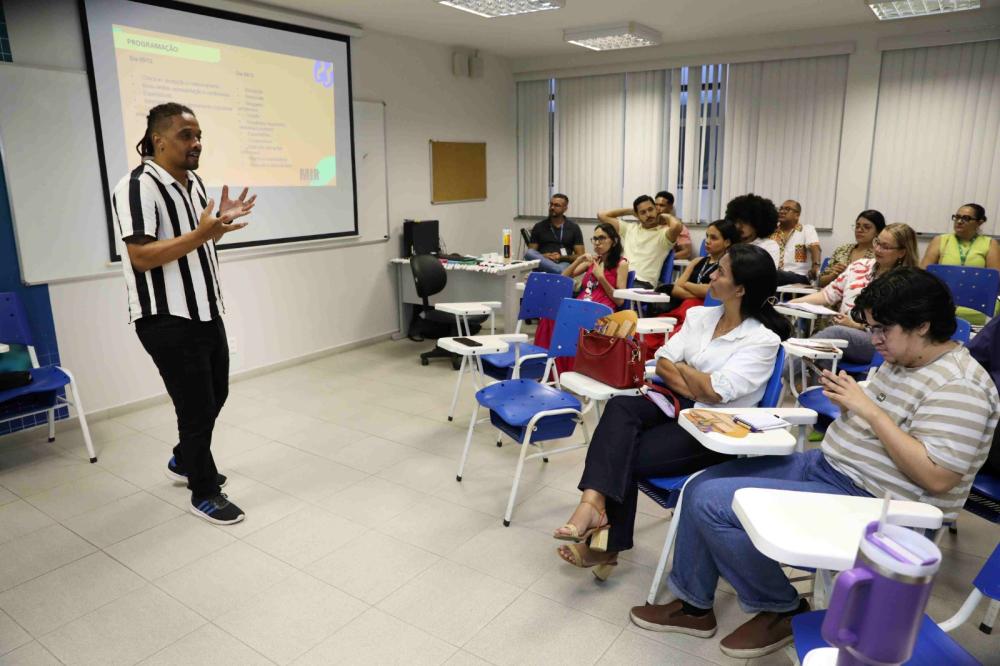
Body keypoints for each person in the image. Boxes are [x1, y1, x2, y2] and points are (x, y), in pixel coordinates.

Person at [629, 267, 999, 659]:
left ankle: (781, 608)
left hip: (879, 500)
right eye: (871, 328)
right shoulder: (906, 358)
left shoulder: (961, 385)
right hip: (831, 467)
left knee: (713, 503)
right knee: (699, 485)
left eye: (881, 331)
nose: (874, 341)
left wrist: (870, 411)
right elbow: (882, 419)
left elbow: (937, 477)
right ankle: (693, 603)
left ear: (922, 325)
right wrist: (855, 405)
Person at [551, 244, 790, 580]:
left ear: (741, 289)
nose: (711, 275)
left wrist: (687, 374)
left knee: (622, 451)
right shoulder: (700, 316)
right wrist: (693, 379)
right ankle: (594, 509)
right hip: (675, 406)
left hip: (711, 429)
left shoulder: (762, 341)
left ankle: (602, 534)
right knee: (620, 407)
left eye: (720, 271)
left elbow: (716, 392)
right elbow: (663, 361)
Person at [114, 103, 255, 525]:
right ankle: (204, 490)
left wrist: (218, 226)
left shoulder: (193, 183)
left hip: (206, 310)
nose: (196, 144)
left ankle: (183, 459)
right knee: (194, 408)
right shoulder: (137, 186)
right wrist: (201, 233)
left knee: (217, 394)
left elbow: (193, 244)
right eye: (186, 136)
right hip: (165, 317)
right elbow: (141, 256)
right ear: (158, 140)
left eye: (198, 136)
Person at [789, 223, 918, 367]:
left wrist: (857, 326)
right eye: (877, 242)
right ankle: (816, 385)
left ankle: (775, 377)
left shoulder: (907, 282)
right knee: (828, 344)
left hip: (880, 342)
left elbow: (898, 328)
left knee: (834, 334)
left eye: (885, 247)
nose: (878, 249)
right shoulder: (860, 266)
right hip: (845, 335)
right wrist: (791, 303)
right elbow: (827, 295)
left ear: (902, 252)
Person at [920, 203, 999, 325]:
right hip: (944, 301)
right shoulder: (941, 240)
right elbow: (922, 274)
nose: (959, 221)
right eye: (957, 217)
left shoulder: (989, 244)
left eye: (966, 218)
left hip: (977, 304)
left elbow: (994, 280)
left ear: (980, 222)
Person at [598, 195, 684, 288]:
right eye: (643, 212)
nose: (648, 214)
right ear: (637, 215)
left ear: (656, 209)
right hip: (620, 277)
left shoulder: (664, 235)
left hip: (642, 283)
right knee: (592, 286)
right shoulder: (629, 228)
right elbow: (602, 215)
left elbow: (677, 226)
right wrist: (630, 211)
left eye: (651, 209)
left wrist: (664, 215)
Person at [560, 222, 630, 309]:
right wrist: (578, 260)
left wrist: (601, 277)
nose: (597, 243)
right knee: (551, 314)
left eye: (602, 238)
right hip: (582, 304)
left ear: (614, 241)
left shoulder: (621, 264)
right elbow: (562, 278)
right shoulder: (593, 261)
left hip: (601, 309)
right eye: (595, 239)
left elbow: (620, 301)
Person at [818, 210, 884, 288]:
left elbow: (879, 285)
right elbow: (820, 283)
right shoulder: (842, 250)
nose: (859, 230)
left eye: (866, 227)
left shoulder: (880, 254)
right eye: (857, 226)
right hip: (832, 296)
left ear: (878, 231)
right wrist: (834, 275)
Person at [525, 194, 585, 274]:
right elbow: (532, 252)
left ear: (565, 208)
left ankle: (557, 271)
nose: (552, 208)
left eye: (557, 205)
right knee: (528, 253)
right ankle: (558, 272)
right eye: (551, 204)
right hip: (544, 261)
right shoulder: (539, 226)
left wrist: (561, 257)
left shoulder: (574, 228)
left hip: (563, 262)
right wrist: (544, 256)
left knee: (562, 268)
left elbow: (580, 256)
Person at [771, 200, 821, 286]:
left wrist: (815, 265)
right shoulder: (771, 231)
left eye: (787, 209)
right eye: (781, 209)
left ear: (797, 215)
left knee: (773, 275)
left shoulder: (806, 230)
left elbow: (815, 248)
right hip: (775, 275)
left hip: (800, 276)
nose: (782, 211)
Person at [724, 194, 779, 267]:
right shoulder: (730, 243)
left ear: (757, 223)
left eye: (744, 222)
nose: (738, 226)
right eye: (736, 222)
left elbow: (767, 274)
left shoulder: (768, 245)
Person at [656, 191, 692, 259]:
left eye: (661, 205)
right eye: (656, 205)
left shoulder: (677, 227)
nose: (657, 208)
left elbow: (687, 252)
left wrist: (662, 259)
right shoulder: (648, 224)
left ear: (670, 207)